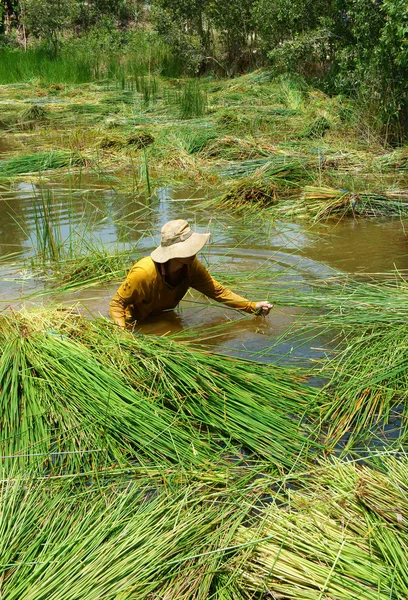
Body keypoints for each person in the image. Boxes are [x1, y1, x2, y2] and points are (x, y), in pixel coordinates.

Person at [110, 219, 273, 328]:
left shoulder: (191, 267)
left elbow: (217, 291)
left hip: (162, 318)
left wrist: (252, 306)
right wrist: (123, 338)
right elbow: (117, 304)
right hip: (133, 322)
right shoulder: (144, 273)